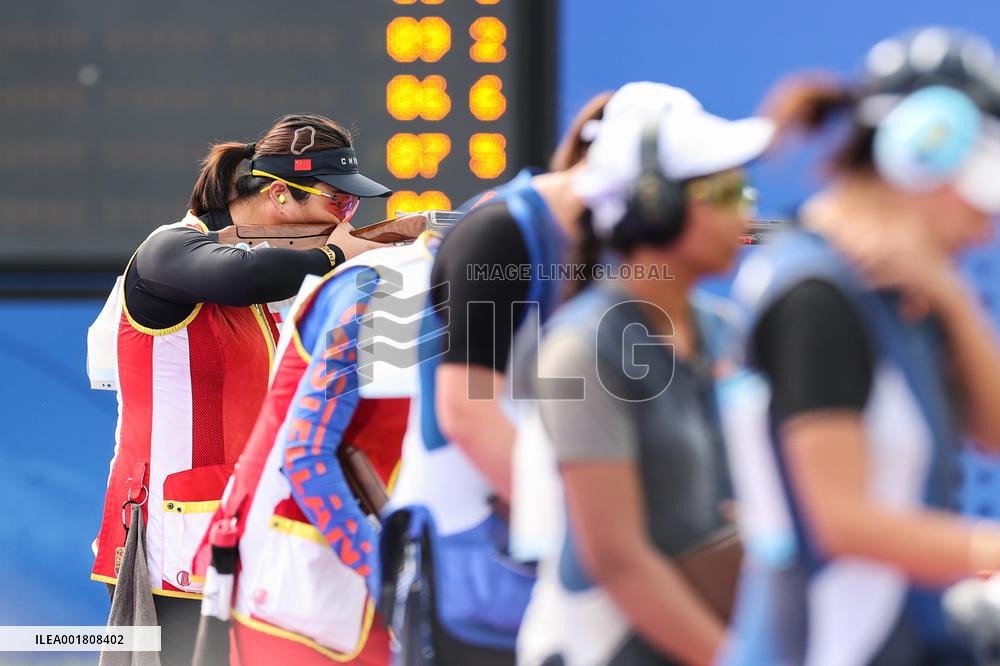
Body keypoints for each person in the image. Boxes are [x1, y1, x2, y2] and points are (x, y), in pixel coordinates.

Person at [380, 83, 696, 665]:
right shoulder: (496, 234)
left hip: (550, 558)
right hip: (473, 564)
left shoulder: (611, 248)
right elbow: (468, 413)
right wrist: (592, 534)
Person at [723, 28, 1000, 665]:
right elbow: (840, 520)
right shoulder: (816, 297)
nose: (985, 234)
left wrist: (953, 299)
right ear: (925, 154)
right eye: (981, 205)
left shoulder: (898, 287)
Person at [88, 112, 389, 665]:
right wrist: (336, 255)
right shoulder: (168, 251)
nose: (349, 217)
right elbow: (244, 276)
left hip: (239, 539)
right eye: (339, 203)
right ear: (280, 194)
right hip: (167, 546)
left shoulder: (269, 270)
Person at [516, 88, 771, 666]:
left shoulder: (724, 332)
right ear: (656, 205)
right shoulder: (580, 349)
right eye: (727, 193)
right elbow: (618, 559)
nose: (747, 214)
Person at [191, 221, 455, 666]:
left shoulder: (521, 291)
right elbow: (306, 455)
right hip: (300, 572)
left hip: (394, 569)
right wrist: (390, 578)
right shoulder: (375, 292)